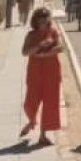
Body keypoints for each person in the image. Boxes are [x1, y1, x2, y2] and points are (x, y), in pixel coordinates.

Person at [20, 7, 62, 145]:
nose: (44, 20)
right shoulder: (31, 35)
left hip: (52, 72)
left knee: (50, 104)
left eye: (46, 17)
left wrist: (46, 53)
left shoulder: (53, 32)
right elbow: (25, 52)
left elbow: (60, 47)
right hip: (35, 72)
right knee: (30, 102)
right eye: (41, 17)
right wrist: (40, 46)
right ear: (36, 20)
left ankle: (43, 135)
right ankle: (32, 121)